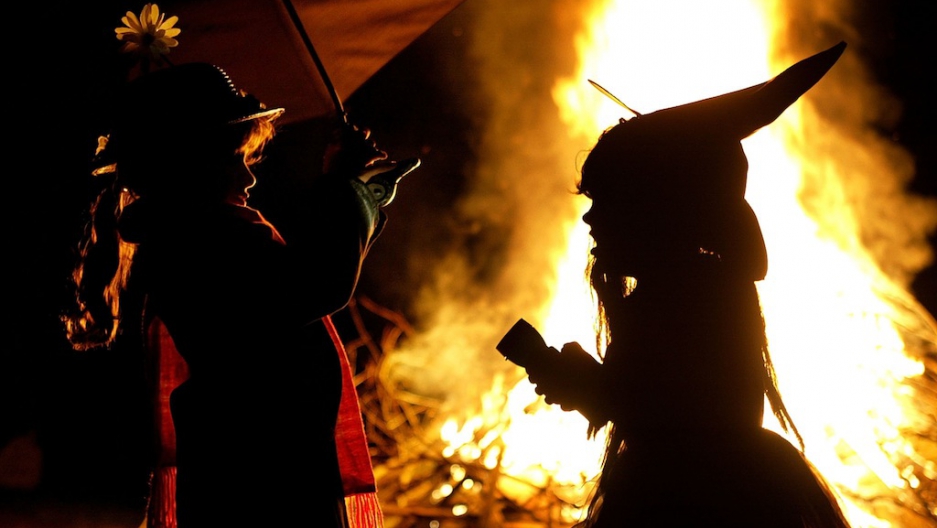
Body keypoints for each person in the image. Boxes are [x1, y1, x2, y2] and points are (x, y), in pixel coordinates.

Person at [511, 42, 854, 527]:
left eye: (607, 200)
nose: (590, 219)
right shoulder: (697, 287)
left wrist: (586, 384)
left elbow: (669, 416)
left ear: (656, 210)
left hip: (694, 501)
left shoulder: (688, 297)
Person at [64, 63, 414, 527]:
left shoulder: (191, 234)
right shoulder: (200, 241)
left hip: (255, 465)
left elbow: (304, 282)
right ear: (190, 166)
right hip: (259, 475)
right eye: (235, 160)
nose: (249, 180)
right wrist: (344, 189)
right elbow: (313, 285)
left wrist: (355, 192)